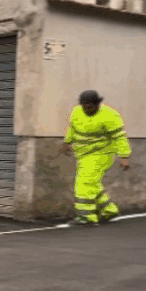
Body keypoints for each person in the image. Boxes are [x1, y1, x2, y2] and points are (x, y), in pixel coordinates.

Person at [61, 90, 131, 227]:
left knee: (84, 183)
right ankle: (109, 210)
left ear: (98, 104)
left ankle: (86, 217)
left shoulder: (110, 115)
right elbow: (72, 128)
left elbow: (119, 137)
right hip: (83, 154)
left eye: (91, 107)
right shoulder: (77, 111)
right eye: (84, 106)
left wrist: (125, 157)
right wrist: (67, 142)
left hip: (102, 154)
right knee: (92, 183)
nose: (87, 109)